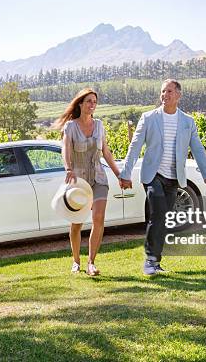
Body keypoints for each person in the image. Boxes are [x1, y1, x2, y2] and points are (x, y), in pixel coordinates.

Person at [119, 79, 206, 275]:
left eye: (170, 91)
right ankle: (150, 260)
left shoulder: (188, 122)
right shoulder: (148, 118)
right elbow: (135, 146)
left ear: (178, 95)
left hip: (174, 178)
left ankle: (155, 261)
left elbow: (197, 149)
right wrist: (125, 173)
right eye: (163, 91)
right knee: (157, 213)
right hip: (153, 175)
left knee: (163, 218)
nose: (165, 95)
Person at [54, 88, 121, 276]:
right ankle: (76, 261)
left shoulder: (99, 126)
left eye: (94, 102)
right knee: (76, 224)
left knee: (98, 218)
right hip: (78, 182)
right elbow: (65, 149)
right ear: (80, 104)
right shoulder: (70, 127)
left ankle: (91, 262)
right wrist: (68, 168)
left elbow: (106, 152)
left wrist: (119, 175)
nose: (92, 105)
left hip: (99, 178)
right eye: (89, 101)